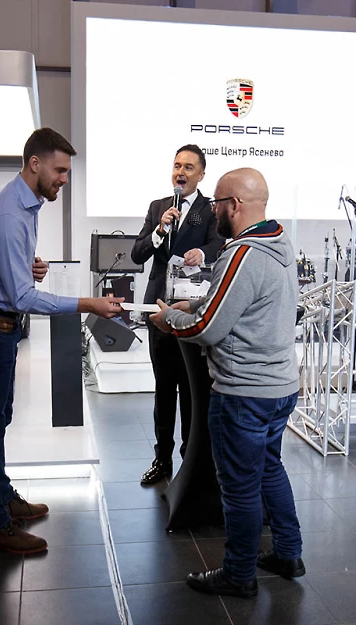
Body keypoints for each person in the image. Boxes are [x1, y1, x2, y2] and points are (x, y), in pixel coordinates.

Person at [0, 127, 123, 555]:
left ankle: (3, 498)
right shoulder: (11, 214)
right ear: (35, 164)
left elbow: (7, 275)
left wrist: (25, 266)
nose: (64, 179)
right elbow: (22, 298)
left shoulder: (26, 205)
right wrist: (87, 303)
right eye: (60, 170)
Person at [149, 167, 304, 598]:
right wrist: (199, 303)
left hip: (244, 393)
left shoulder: (243, 253)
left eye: (217, 202)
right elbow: (241, 301)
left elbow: (207, 329)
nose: (212, 210)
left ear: (234, 205)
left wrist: (169, 318)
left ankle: (239, 574)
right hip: (280, 387)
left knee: (238, 488)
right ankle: (288, 553)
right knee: (269, 469)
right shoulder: (280, 243)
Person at [131, 144, 223, 485]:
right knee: (164, 387)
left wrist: (203, 252)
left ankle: (190, 458)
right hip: (159, 310)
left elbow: (219, 245)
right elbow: (137, 253)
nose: (180, 172)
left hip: (192, 309)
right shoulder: (159, 207)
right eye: (176, 166)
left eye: (188, 167)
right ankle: (162, 459)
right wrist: (159, 231)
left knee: (192, 388)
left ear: (201, 175)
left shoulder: (209, 210)